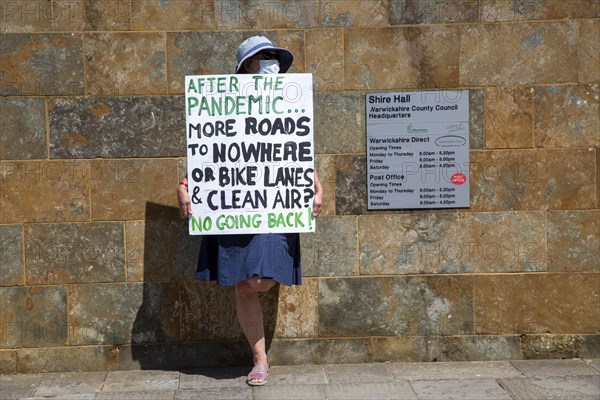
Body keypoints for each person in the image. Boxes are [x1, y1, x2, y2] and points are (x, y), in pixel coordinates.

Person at [177, 36, 323, 386]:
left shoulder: (289, 105)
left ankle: (259, 356)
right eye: (263, 57)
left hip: (274, 206)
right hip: (234, 209)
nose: (271, 62)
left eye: (274, 56)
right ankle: (260, 360)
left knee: (261, 279)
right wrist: (182, 189)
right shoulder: (222, 105)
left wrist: (319, 188)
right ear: (245, 67)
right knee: (244, 285)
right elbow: (208, 154)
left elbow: (295, 153)